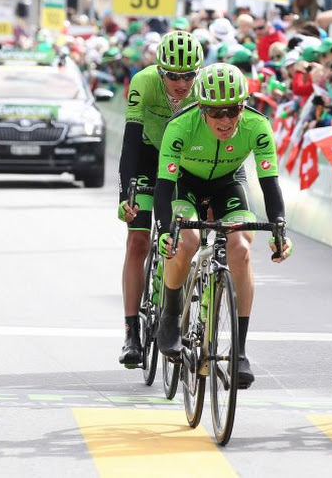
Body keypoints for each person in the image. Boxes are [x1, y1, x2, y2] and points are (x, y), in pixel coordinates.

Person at [154, 63, 293, 388]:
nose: (226, 120)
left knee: (241, 248)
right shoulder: (180, 126)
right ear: (201, 107)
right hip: (184, 185)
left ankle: (239, 352)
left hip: (228, 183)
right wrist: (163, 231)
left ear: (243, 105)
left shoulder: (257, 125)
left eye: (233, 110)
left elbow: (270, 183)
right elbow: (163, 186)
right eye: (216, 112)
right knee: (185, 242)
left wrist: (279, 229)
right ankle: (171, 317)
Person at [116, 31, 203, 367]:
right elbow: (130, 143)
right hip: (147, 158)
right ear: (160, 71)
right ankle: (131, 332)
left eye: (188, 76)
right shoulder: (144, 82)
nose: (181, 84)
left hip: (184, 164)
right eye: (172, 76)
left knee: (186, 235)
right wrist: (127, 195)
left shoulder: (204, 87)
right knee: (138, 241)